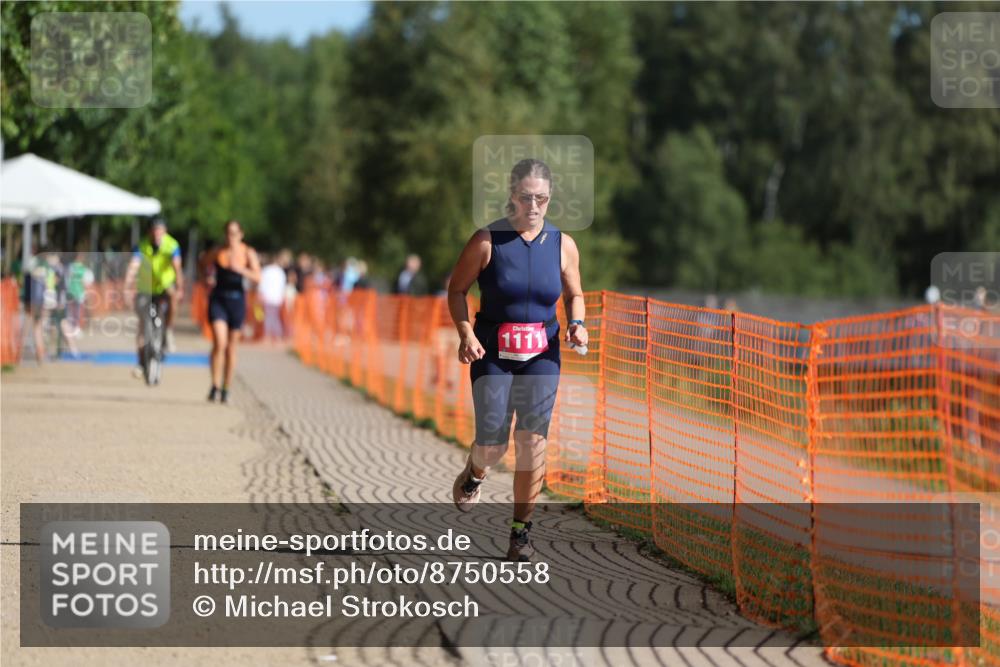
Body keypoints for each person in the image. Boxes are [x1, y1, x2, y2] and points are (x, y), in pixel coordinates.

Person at [447, 158, 588, 562]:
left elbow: (574, 292)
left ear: (550, 198)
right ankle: (475, 472)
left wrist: (577, 322)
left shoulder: (563, 245)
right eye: (525, 197)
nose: (533, 206)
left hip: (542, 353)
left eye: (541, 198)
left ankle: (520, 534)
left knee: (532, 441)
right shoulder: (487, 240)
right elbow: (456, 291)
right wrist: (466, 333)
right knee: (492, 446)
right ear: (511, 195)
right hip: (492, 351)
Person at [202, 220, 261, 404]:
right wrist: (206, 278)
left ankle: (226, 388)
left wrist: (242, 270)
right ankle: (215, 384)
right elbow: (202, 264)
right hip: (218, 298)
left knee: (231, 348)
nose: (231, 236)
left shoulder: (247, 252)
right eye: (228, 232)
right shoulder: (218, 251)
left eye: (234, 233)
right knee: (219, 342)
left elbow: (258, 276)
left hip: (237, 300)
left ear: (241, 234)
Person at [124, 218, 184, 376]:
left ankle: (169, 330)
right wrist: (127, 284)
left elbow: (177, 267)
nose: (157, 234)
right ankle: (140, 362)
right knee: (143, 324)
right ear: (150, 232)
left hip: (165, 284)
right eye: (154, 230)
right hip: (146, 286)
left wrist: (180, 287)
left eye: (160, 231)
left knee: (173, 297)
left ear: (165, 232)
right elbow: (134, 265)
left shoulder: (172, 245)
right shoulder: (142, 245)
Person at [258, 251, 288, 343]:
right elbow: (282, 286)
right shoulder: (280, 271)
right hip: (276, 298)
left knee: (269, 317)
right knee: (274, 317)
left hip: (269, 297)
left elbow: (261, 283)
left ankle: (269, 335)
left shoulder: (266, 270)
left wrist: (261, 294)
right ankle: (276, 336)